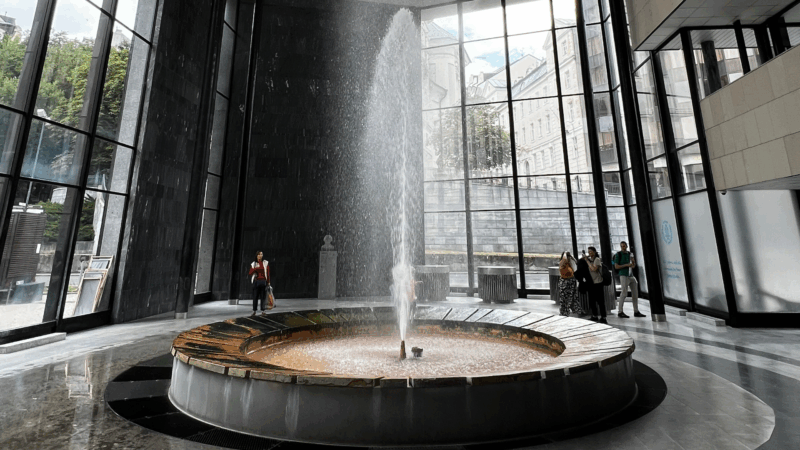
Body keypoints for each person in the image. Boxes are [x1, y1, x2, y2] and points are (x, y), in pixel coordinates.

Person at [613, 241, 645, 318]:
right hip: (623, 275)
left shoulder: (629, 254)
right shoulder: (618, 254)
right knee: (624, 293)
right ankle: (620, 311)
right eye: (621, 246)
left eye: (624, 246)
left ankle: (636, 311)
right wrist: (627, 265)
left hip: (631, 275)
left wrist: (633, 262)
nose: (623, 248)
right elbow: (616, 266)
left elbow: (633, 266)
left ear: (626, 246)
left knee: (635, 293)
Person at [584, 246, 607, 324]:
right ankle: (595, 315)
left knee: (600, 301)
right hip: (592, 283)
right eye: (589, 252)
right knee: (592, 300)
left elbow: (593, 269)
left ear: (594, 252)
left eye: (591, 252)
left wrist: (587, 260)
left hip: (598, 283)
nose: (590, 253)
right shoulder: (591, 260)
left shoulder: (597, 259)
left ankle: (603, 317)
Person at [558, 251, 582, 316]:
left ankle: (576, 310)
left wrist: (571, 256)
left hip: (571, 282)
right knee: (564, 298)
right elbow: (565, 259)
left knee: (573, 297)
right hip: (565, 282)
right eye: (567, 257)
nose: (568, 258)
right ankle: (564, 312)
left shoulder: (569, 264)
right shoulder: (562, 263)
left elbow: (575, 261)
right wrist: (565, 253)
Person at [248, 251, 271, 316]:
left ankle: (263, 310)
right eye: (259, 254)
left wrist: (268, 282)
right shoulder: (254, 263)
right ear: (257, 255)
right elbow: (250, 273)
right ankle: (254, 311)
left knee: (263, 297)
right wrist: (255, 268)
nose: (260, 255)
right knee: (255, 297)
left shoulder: (265, 262)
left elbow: (268, 273)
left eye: (261, 254)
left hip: (263, 281)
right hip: (256, 282)